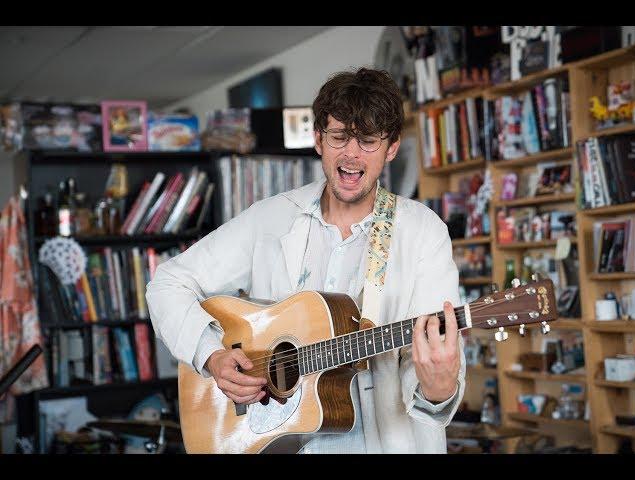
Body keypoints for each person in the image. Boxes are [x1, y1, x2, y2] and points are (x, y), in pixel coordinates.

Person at [146, 67, 465, 454]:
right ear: (318, 139)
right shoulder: (269, 218)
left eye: (367, 141)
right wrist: (211, 355)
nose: (351, 153)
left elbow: (431, 378)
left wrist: (439, 384)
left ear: (392, 148)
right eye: (339, 137)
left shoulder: (422, 233)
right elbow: (167, 283)